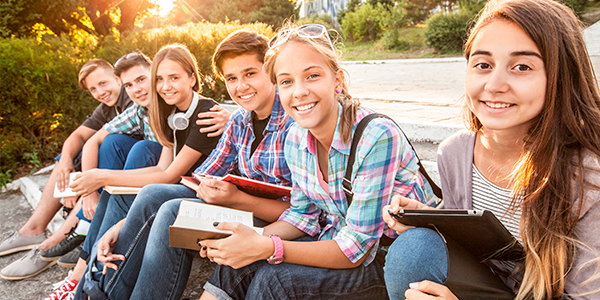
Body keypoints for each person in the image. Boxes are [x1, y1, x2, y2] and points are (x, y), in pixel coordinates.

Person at [198, 23, 437, 300]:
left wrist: (267, 246)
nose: (298, 92)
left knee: (276, 280)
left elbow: (357, 249)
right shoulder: (296, 138)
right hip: (334, 239)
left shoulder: (376, 136)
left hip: (386, 259)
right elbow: (303, 216)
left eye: (312, 76)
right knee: (236, 263)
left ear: (337, 80)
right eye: (286, 81)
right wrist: (243, 240)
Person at [382, 0, 600, 299]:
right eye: (483, 65)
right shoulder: (456, 153)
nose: (495, 84)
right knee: (415, 248)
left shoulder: (589, 174)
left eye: (522, 67)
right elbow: (476, 251)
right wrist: (437, 220)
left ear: (562, 76)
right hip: (494, 286)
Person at [75, 29, 295, 300]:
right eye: (232, 78)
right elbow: (199, 176)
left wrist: (236, 198)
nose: (241, 86)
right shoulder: (239, 121)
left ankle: (99, 291)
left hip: (275, 221)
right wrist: (123, 225)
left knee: (169, 211)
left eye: (250, 73)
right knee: (153, 195)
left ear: (271, 70)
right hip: (235, 203)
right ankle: (99, 289)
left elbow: (304, 213)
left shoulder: (291, 122)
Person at [44, 44, 226, 300]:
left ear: (192, 77)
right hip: (184, 188)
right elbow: (163, 168)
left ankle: (95, 289)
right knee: (114, 189)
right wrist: (108, 194)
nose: (165, 86)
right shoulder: (170, 113)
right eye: (160, 80)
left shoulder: (205, 113)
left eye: (174, 77)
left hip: (210, 196)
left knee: (146, 191)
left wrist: (102, 176)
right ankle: (90, 285)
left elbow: (168, 175)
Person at [0, 59, 134, 280]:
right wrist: (65, 164)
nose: (100, 92)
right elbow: (79, 136)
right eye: (93, 89)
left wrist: (86, 190)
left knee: (107, 147)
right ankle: (33, 229)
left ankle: (56, 240)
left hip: (129, 171)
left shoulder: (133, 100)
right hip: (108, 170)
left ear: (117, 78)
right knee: (67, 156)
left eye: (103, 83)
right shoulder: (108, 106)